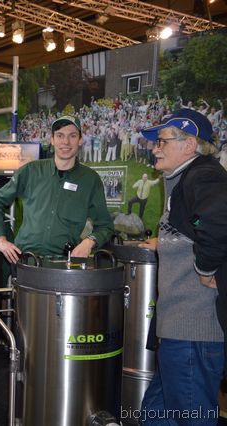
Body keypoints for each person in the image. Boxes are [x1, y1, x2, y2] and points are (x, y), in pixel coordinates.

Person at [138, 109, 227, 425]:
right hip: (179, 330)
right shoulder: (184, 181)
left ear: (189, 144)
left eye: (162, 141)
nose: (155, 148)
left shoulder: (202, 175)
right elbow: (196, 223)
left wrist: (206, 269)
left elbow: (215, 221)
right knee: (154, 415)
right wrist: (164, 241)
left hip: (194, 331)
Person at [0, 115, 114, 262]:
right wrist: (1, 239)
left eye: (72, 136)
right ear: (52, 140)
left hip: (63, 264)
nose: (66, 142)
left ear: (80, 140)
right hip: (26, 261)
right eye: (60, 135)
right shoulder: (31, 171)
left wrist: (89, 242)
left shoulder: (90, 180)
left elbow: (105, 226)